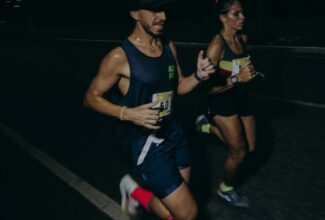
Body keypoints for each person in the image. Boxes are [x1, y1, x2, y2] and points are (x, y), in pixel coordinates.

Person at [83, 0, 214, 219]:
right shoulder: (120, 56)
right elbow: (90, 98)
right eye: (154, 10)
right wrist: (128, 113)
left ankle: (134, 193)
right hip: (147, 144)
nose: (162, 16)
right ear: (135, 13)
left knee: (177, 207)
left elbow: (179, 86)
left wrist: (198, 76)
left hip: (175, 133)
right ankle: (134, 191)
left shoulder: (168, 45)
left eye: (164, 10)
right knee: (188, 213)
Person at [195, 0, 264, 208]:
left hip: (242, 97)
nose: (242, 17)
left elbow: (239, 66)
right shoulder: (216, 46)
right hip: (221, 102)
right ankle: (225, 189)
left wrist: (254, 74)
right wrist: (236, 80)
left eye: (242, 13)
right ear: (223, 18)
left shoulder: (241, 39)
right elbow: (204, 88)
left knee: (250, 147)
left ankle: (205, 127)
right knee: (239, 151)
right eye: (236, 14)